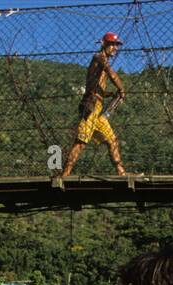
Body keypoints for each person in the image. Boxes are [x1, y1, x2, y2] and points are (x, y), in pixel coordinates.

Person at [59, 33, 128, 177]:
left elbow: (98, 90)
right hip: (90, 106)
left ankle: (122, 173)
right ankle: (64, 175)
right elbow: (111, 74)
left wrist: (111, 94)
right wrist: (121, 89)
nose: (114, 48)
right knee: (81, 142)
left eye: (116, 45)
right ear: (104, 44)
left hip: (98, 108)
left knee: (112, 141)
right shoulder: (99, 57)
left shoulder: (102, 62)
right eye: (111, 44)